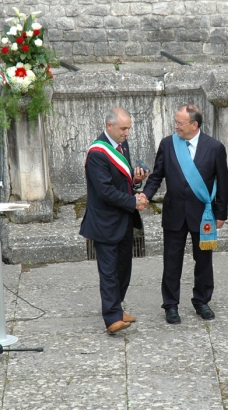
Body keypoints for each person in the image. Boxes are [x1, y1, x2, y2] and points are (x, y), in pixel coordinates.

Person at [143, 104, 228, 324]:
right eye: (175, 122)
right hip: (174, 213)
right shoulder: (168, 144)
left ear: (194, 125)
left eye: (180, 123)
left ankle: (201, 300)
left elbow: (223, 182)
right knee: (171, 261)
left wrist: (221, 214)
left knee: (203, 260)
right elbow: (157, 175)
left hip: (203, 215)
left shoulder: (215, 147)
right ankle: (170, 305)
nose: (176, 126)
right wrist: (145, 196)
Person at [80, 108, 149, 335]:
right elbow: (105, 191)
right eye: (123, 128)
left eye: (128, 128)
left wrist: (135, 179)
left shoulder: (122, 145)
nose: (127, 133)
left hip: (124, 218)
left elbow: (121, 179)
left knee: (124, 268)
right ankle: (111, 318)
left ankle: (117, 308)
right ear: (109, 126)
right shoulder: (98, 153)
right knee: (108, 271)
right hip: (105, 221)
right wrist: (133, 202)